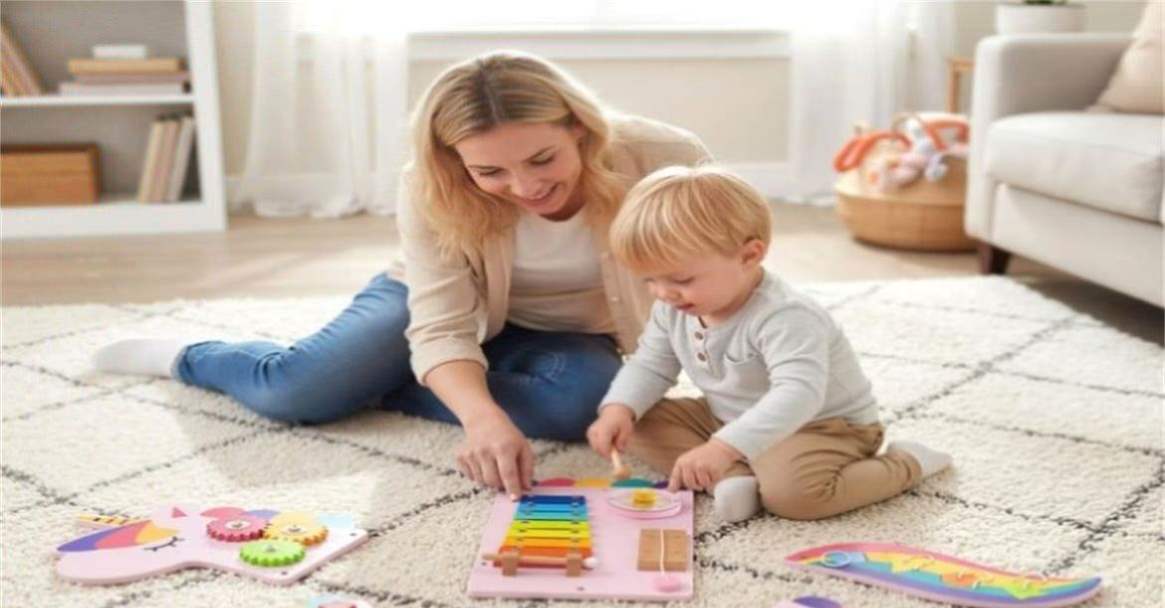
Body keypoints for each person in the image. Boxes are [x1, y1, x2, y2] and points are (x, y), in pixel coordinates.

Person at [94, 52, 710, 497]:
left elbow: (721, 274)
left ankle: (383, 382)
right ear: (456, 162)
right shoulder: (430, 185)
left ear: (578, 126)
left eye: (542, 159)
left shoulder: (666, 158)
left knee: (585, 406)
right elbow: (441, 321)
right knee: (294, 394)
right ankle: (189, 356)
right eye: (490, 172)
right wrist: (482, 419)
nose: (525, 187)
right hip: (444, 303)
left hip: (571, 329)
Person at [586, 166, 952, 522]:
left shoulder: (785, 316)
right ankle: (732, 476)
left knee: (795, 496)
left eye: (680, 279)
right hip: (728, 416)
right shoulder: (673, 307)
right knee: (638, 421)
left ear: (749, 256)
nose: (663, 293)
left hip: (820, 426)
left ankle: (909, 462)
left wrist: (722, 447)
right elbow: (650, 365)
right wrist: (620, 409)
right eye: (650, 280)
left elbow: (798, 395)